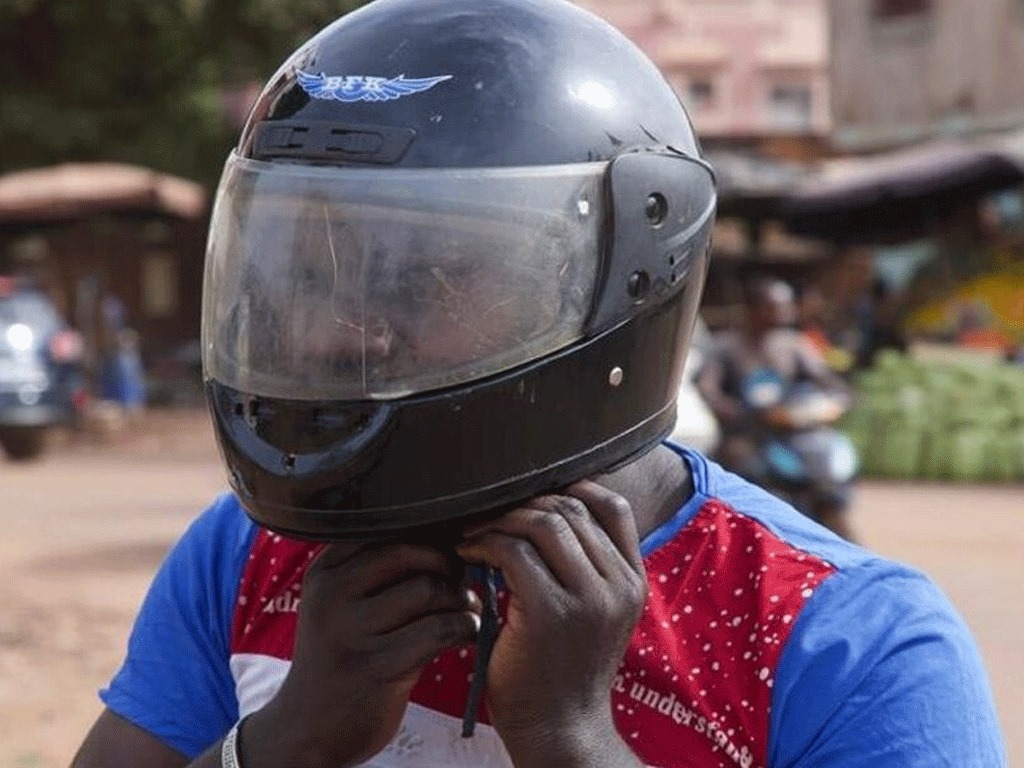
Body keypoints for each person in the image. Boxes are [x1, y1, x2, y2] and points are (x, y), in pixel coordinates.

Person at [72, 2, 1005, 767]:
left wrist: (573, 738)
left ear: (619, 279)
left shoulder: (848, 643)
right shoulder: (248, 554)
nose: (342, 328)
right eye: (313, 275)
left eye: (426, 276)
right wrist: (284, 741)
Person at [697, 277, 858, 540]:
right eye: (774, 307)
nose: (783, 313)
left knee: (828, 482)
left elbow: (826, 380)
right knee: (746, 474)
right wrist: (741, 413)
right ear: (753, 309)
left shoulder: (793, 345)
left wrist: (838, 398)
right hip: (747, 436)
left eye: (786, 306)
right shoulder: (727, 347)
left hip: (791, 435)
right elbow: (708, 390)